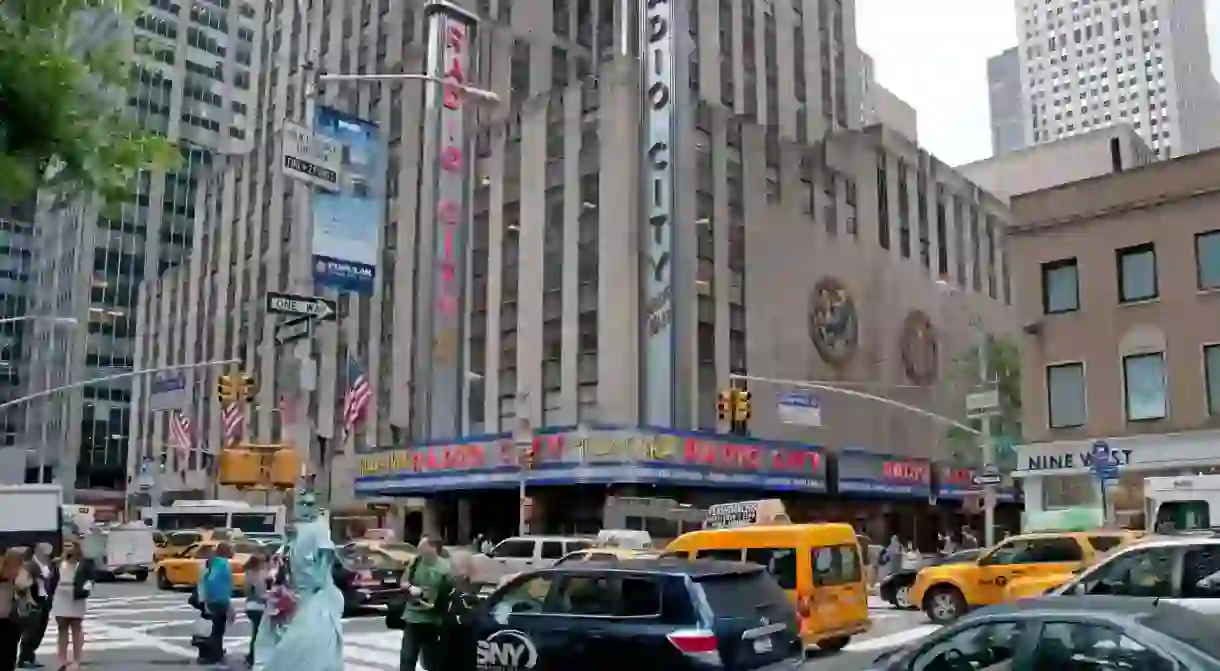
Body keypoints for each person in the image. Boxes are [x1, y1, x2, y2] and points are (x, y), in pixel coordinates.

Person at [398, 535, 451, 671]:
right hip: (412, 618)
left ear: (433, 548)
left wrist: (423, 593)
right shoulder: (415, 562)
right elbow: (403, 582)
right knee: (407, 659)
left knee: (432, 661)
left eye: (423, 546)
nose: (419, 549)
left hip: (432, 620)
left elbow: (446, 592)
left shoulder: (445, 567)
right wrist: (409, 588)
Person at [50, 541, 91, 671]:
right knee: (62, 628)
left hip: (76, 598)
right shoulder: (57, 563)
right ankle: (62, 658)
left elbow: (91, 578)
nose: (68, 548)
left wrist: (86, 587)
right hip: (61, 597)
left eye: (70, 546)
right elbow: (50, 580)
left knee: (76, 628)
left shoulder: (84, 564)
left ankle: (76, 659)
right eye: (66, 546)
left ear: (77, 547)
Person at [437, 550, 480, 671]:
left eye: (454, 567)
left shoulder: (465, 590)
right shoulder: (453, 587)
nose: (451, 570)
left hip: (459, 641)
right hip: (454, 640)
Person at [19, 543, 57, 669]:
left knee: (41, 629)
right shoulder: (29, 565)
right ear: (37, 551)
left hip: (46, 600)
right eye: (43, 551)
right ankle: (24, 659)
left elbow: (54, 580)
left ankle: (31, 656)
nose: (46, 553)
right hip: (33, 600)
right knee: (31, 630)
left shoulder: (50, 564)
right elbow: (22, 583)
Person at [197, 542, 235, 665]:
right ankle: (213, 655)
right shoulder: (221, 563)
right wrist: (215, 599)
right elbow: (212, 581)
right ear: (225, 551)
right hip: (219, 600)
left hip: (216, 600)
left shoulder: (216, 562)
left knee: (218, 628)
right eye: (230, 549)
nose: (233, 552)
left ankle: (217, 652)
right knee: (218, 630)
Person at [0, 548, 34, 671]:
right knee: (8, 654)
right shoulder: (17, 574)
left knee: (7, 653)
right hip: (9, 618)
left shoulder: (9, 574)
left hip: (8, 618)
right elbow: (24, 587)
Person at [243, 554, 270, 668]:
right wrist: (270, 596)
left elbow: (247, 591)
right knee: (258, 634)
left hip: (249, 606)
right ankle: (252, 657)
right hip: (258, 607)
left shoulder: (247, 574)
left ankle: (250, 656)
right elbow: (260, 594)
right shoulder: (258, 576)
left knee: (255, 632)